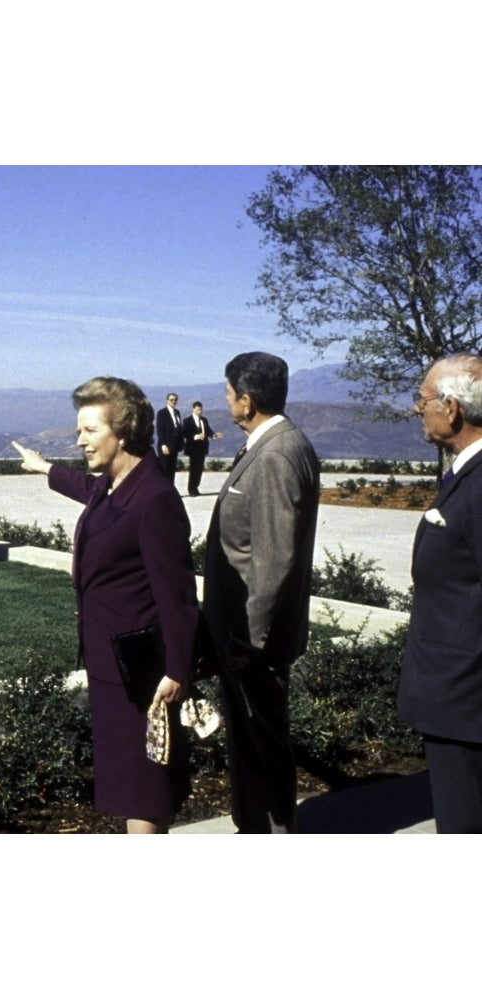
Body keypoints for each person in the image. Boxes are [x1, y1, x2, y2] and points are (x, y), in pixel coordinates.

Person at [12, 376, 199, 834]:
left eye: (89, 431)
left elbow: (177, 596)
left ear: (122, 431)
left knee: (145, 784)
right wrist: (44, 469)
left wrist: (177, 671)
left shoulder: (154, 498)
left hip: (143, 673)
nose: (79, 440)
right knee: (131, 778)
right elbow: (85, 487)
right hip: (110, 662)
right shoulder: (114, 485)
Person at [202, 352, 319, 833]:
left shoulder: (274, 455)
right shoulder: (273, 445)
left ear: (247, 400)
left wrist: (247, 642)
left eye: (229, 394)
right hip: (245, 639)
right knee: (252, 746)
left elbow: (273, 560)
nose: (226, 401)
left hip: (252, 644)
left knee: (262, 747)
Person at [398, 353, 482, 833]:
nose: (417, 409)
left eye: (424, 399)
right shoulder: (462, 473)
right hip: (456, 704)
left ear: (451, 408)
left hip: (467, 707)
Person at [181, 401, 223, 496]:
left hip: (202, 448)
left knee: (199, 469)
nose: (200, 411)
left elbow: (208, 430)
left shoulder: (204, 420)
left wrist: (214, 435)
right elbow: (185, 433)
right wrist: (195, 436)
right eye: (198, 409)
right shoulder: (187, 421)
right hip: (193, 448)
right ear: (194, 409)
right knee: (193, 469)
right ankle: (191, 489)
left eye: (201, 409)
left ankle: (196, 487)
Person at [155, 392, 184, 482]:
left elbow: (178, 429)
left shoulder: (177, 413)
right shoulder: (161, 413)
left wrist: (181, 443)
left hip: (175, 446)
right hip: (165, 446)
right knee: (165, 469)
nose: (173, 402)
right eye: (171, 400)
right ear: (167, 401)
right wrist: (163, 444)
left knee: (172, 470)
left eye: (175, 400)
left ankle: (170, 489)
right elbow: (160, 430)